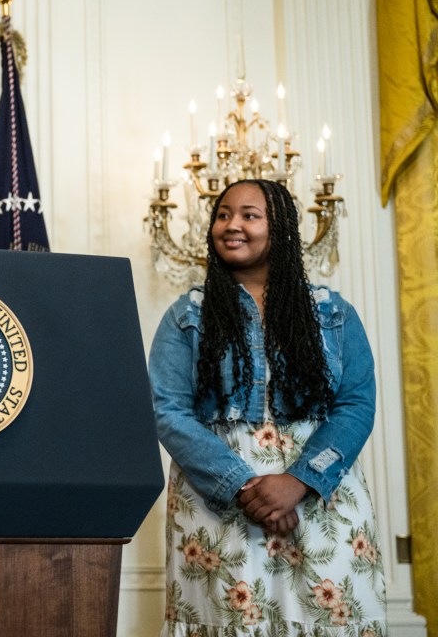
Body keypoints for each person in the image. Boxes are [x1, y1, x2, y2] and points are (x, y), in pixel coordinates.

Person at [148, 179, 386, 635]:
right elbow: (168, 410)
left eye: (249, 215)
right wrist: (244, 487)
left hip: (321, 500)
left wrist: (299, 480)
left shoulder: (333, 313)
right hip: (219, 504)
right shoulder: (187, 315)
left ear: (281, 229)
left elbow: (356, 403)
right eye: (222, 215)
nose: (231, 225)